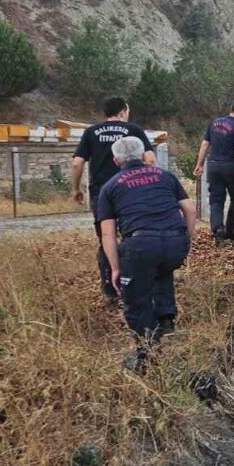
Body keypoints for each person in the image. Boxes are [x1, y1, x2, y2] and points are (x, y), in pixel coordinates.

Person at [96, 136, 196, 365]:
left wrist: (114, 268)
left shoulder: (111, 187)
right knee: (161, 268)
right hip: (175, 243)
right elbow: (190, 209)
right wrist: (185, 240)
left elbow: (108, 234)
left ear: (116, 160)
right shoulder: (165, 176)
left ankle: (146, 353)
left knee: (135, 300)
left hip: (141, 246)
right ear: (143, 156)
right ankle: (167, 321)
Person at [72, 96, 156, 303]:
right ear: (122, 112)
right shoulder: (134, 130)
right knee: (134, 237)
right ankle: (136, 285)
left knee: (106, 240)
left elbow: (77, 163)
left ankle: (110, 290)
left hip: (101, 194)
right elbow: (151, 160)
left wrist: (76, 188)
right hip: (132, 192)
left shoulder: (91, 132)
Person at [193, 100, 234, 244]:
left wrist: (200, 164)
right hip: (232, 169)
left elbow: (205, 144)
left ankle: (217, 230)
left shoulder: (214, 123)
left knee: (216, 200)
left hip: (214, 167)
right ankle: (230, 231)